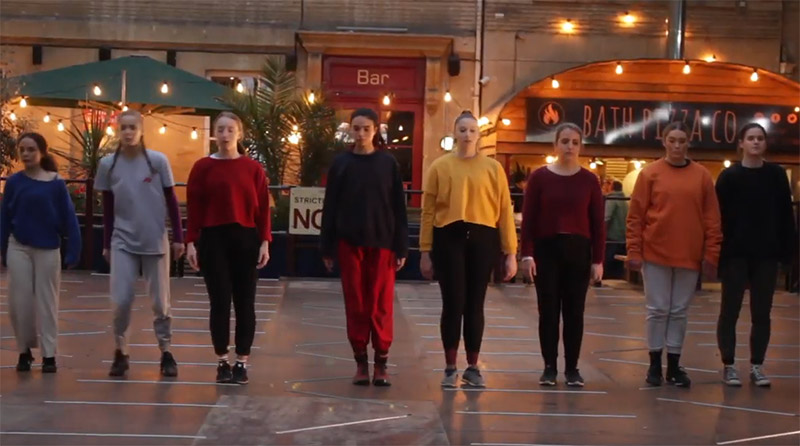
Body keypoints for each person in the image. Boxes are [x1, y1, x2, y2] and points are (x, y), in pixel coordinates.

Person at [420, 110, 517, 389]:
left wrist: (510, 252)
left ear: (479, 135)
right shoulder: (439, 167)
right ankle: (450, 366)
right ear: (454, 133)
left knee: (475, 304)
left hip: (482, 237)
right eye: (462, 130)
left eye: (472, 130)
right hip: (448, 236)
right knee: (453, 303)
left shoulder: (493, 168)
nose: (467, 135)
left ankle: (473, 366)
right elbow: (428, 211)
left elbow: (504, 212)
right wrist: (425, 250)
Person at [626, 121, 722, 388]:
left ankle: (675, 365)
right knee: (657, 310)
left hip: (689, 254)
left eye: (682, 140)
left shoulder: (702, 176)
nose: (677, 145)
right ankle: (654, 364)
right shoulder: (649, 174)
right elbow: (635, 216)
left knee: (679, 311)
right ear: (664, 141)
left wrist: (711, 254)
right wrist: (634, 250)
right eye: (673, 140)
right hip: (655, 252)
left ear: (689, 142)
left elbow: (712, 219)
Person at [320, 108, 408, 387]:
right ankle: (360, 361)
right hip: (349, 242)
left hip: (383, 242)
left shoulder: (388, 163)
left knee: (380, 304)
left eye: (366, 128)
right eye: (356, 128)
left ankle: (381, 360)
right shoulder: (341, 164)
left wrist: (402, 247)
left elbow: (399, 207)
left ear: (376, 130)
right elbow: (330, 206)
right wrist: (327, 247)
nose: (360, 134)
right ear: (350, 130)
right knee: (356, 303)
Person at [95, 109, 184, 378]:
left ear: (142, 130)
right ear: (118, 131)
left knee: (161, 303)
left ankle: (166, 351)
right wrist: (107, 243)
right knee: (121, 300)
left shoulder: (157, 161)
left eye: (133, 127)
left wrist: (178, 237)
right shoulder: (108, 164)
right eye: (124, 128)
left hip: (154, 240)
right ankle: (121, 351)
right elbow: (108, 206)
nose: (129, 132)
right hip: (122, 240)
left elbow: (171, 199)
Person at [186, 111, 271, 385]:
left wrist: (265, 241)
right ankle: (222, 361)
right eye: (220, 130)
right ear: (214, 134)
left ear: (239, 134)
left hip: (245, 237)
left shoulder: (253, 169)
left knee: (245, 303)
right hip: (213, 238)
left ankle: (242, 362)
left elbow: (263, 211)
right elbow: (195, 207)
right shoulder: (202, 167)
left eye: (230, 130)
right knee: (219, 302)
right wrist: (190, 242)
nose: (224, 135)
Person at [520, 122, 605, 387]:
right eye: (565, 141)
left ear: (580, 147)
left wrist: (598, 260)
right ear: (555, 144)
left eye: (574, 142)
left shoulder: (590, 180)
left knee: (574, 312)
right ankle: (549, 367)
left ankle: (572, 368)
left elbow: (598, 223)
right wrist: (527, 254)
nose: (569, 146)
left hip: (578, 250)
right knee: (548, 311)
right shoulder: (539, 177)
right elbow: (530, 219)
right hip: (547, 249)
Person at [715, 123, 796, 387]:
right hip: (735, 253)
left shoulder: (775, 175)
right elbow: (718, 218)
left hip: (767, 254)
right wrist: (718, 254)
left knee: (762, 312)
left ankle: (757, 365)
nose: (755, 142)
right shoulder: (728, 177)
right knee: (730, 310)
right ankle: (728, 364)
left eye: (760, 138)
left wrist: (788, 252)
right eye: (750, 138)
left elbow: (786, 215)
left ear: (765, 144)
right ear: (741, 143)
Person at [0, 132, 81, 373]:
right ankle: (24, 351)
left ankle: (49, 355)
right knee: (19, 302)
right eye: (22, 149)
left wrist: (73, 251)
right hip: (19, 246)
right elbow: (4, 217)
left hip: (47, 247)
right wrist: (2, 248)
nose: (26, 154)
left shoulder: (56, 183)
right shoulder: (14, 182)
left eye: (31, 149)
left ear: (42, 152)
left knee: (47, 302)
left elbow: (69, 218)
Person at [604, 180, 628, 280]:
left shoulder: (611, 199)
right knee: (619, 265)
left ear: (611, 186)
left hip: (612, 237)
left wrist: (602, 234)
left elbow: (606, 217)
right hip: (623, 237)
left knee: (609, 262)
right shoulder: (625, 201)